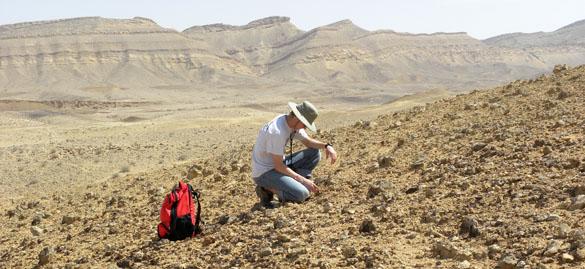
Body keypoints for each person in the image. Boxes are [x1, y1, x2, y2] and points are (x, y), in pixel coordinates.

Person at [251, 101, 338, 207]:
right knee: (302, 194)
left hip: (278, 164)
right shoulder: (277, 132)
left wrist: (327, 146)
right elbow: (278, 166)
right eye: (304, 124)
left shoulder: (290, 123)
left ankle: (294, 184)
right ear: (297, 118)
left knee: (314, 153)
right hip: (264, 172)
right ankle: (267, 189)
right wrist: (303, 180)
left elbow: (308, 142)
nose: (305, 128)